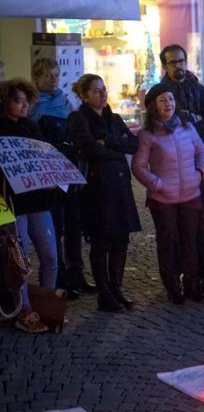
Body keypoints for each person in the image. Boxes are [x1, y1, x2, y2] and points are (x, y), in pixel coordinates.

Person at [67, 74, 141, 312]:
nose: (102, 94)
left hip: (120, 186)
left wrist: (107, 142)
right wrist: (115, 149)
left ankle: (116, 289)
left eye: (104, 89)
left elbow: (133, 144)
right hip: (97, 189)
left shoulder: (114, 118)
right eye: (96, 90)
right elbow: (88, 148)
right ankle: (104, 294)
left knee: (121, 238)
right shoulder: (78, 118)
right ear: (85, 94)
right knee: (101, 241)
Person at [133, 83, 204, 303]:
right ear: (154, 106)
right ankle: (172, 285)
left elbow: (202, 152)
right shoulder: (147, 134)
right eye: (163, 100)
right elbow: (138, 166)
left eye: (171, 99)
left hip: (190, 195)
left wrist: (199, 173)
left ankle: (192, 284)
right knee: (168, 242)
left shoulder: (187, 127)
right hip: (163, 199)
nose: (169, 104)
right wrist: (156, 184)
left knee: (191, 241)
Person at [0, 79, 59, 332]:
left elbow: (45, 157)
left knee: (50, 256)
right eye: (18, 101)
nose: (24, 106)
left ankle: (46, 307)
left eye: (27, 101)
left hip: (37, 200)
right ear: (5, 102)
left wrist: (54, 177)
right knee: (19, 261)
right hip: (12, 204)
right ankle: (24, 311)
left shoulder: (31, 127)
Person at [28, 57, 89, 298]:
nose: (54, 79)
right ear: (37, 78)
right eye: (48, 75)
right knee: (57, 227)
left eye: (56, 74)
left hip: (69, 170)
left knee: (75, 225)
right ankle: (61, 281)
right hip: (49, 175)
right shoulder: (34, 106)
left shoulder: (65, 101)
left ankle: (77, 276)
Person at [159, 45, 204, 141]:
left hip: (201, 146)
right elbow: (165, 124)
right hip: (173, 148)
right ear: (165, 66)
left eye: (181, 61)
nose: (178, 65)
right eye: (173, 62)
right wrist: (195, 118)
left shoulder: (200, 90)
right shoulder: (161, 93)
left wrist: (184, 124)